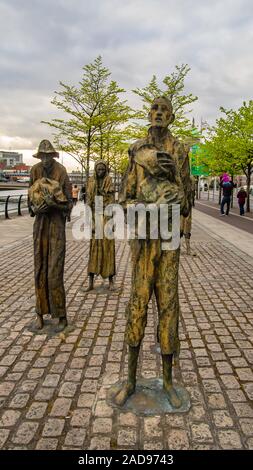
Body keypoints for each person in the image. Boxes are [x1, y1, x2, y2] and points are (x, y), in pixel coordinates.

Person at [115, 96, 192, 409]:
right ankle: (131, 380)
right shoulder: (136, 150)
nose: (158, 113)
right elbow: (124, 198)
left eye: (164, 110)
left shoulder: (181, 150)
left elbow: (186, 203)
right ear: (149, 114)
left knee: (169, 305)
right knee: (137, 303)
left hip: (169, 240)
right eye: (154, 109)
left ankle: (169, 381)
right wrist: (144, 208)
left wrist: (174, 174)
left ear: (171, 117)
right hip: (144, 239)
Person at [28, 139, 73, 332]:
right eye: (42, 156)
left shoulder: (61, 171)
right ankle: (40, 312)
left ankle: (61, 314)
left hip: (56, 226)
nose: (45, 159)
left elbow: (69, 203)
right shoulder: (34, 171)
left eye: (48, 156)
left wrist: (54, 204)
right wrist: (35, 208)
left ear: (53, 156)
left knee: (55, 272)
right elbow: (29, 198)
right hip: (40, 226)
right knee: (40, 269)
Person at [84, 160, 116, 291]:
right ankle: (90, 281)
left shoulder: (109, 181)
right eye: (99, 169)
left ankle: (111, 281)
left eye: (103, 170)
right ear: (95, 170)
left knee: (108, 249)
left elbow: (112, 201)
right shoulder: (91, 182)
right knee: (94, 249)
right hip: (95, 217)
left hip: (106, 217)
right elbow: (88, 202)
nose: (101, 172)